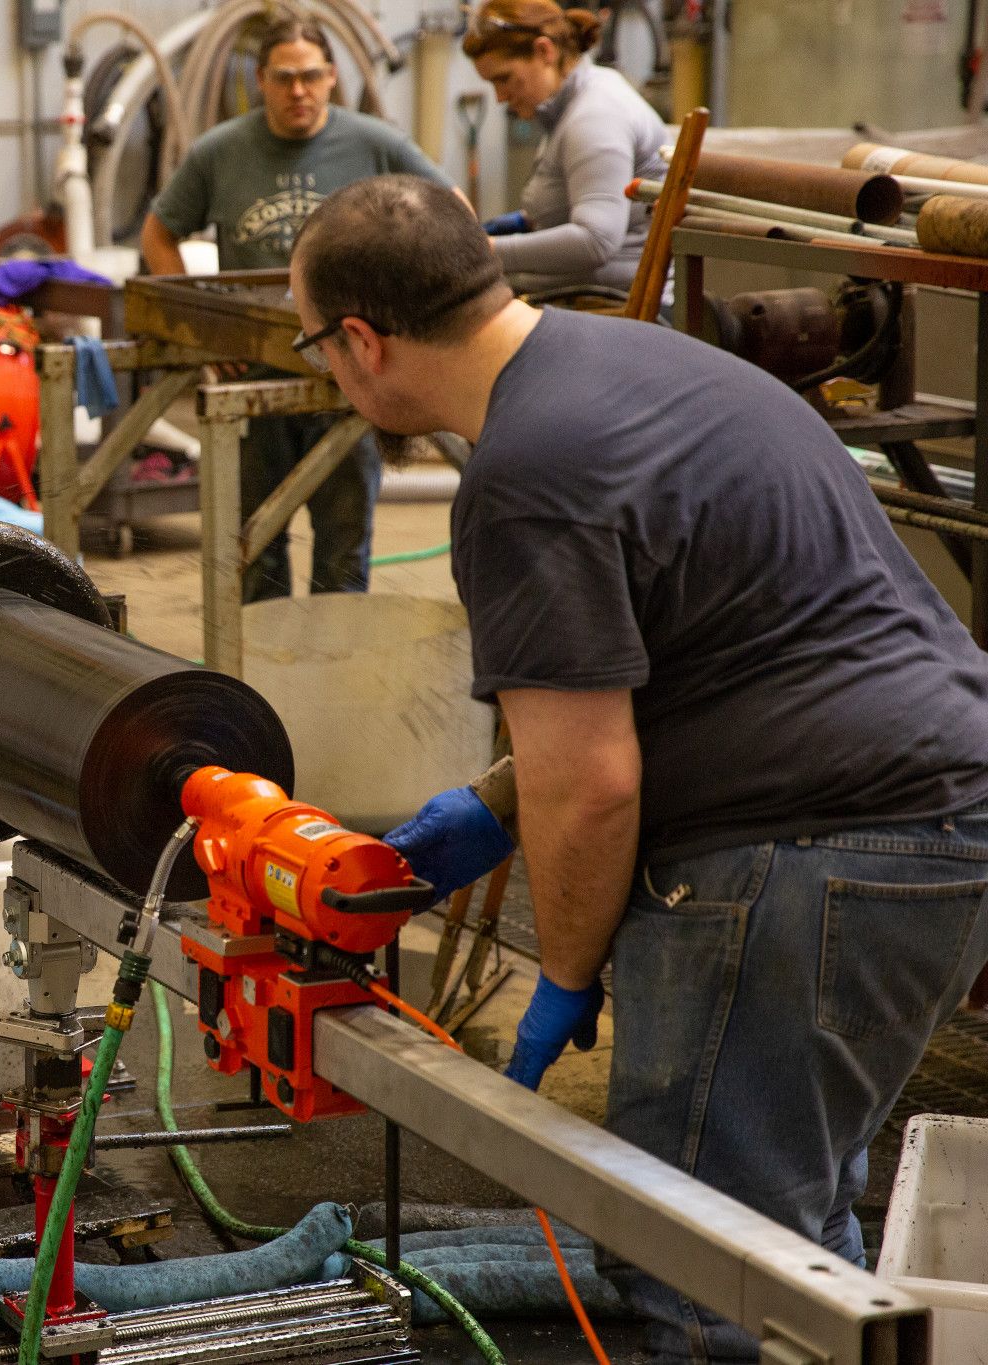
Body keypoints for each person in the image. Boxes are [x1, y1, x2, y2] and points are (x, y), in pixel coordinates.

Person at [295, 175, 988, 1364]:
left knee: (701, 1273)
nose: (325, 372)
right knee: (800, 1257)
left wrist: (563, 973)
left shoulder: (523, 471)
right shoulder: (640, 362)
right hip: (941, 820)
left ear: (362, 340)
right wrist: (498, 805)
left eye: (316, 346)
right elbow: (704, 648)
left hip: (804, 856)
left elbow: (595, 784)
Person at [140, 19, 451, 599]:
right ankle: (265, 678)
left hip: (352, 376)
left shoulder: (373, 143)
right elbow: (159, 234)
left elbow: (449, 208)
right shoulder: (220, 152)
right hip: (254, 372)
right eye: (284, 78)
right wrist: (208, 328)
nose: (299, 91)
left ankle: (332, 678)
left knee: (344, 548)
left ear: (332, 77)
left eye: (311, 76)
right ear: (261, 81)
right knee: (255, 547)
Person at [464, 0, 668, 298]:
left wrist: (483, 251)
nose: (499, 97)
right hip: (581, 298)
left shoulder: (595, 115)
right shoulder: (567, 108)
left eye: (504, 79)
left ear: (544, 51)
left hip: (613, 306)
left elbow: (595, 240)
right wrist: (516, 223)